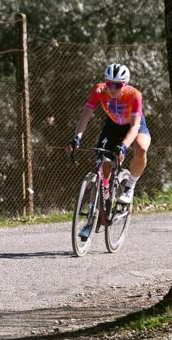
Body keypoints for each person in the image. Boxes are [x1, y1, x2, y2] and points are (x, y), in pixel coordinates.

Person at [65, 63, 151, 239]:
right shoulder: (99, 90)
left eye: (117, 85)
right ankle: (93, 217)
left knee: (141, 148)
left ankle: (129, 187)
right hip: (112, 125)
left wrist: (124, 146)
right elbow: (86, 115)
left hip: (133, 125)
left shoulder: (134, 95)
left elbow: (134, 128)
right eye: (109, 83)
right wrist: (77, 138)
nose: (112, 88)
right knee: (102, 166)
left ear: (124, 84)